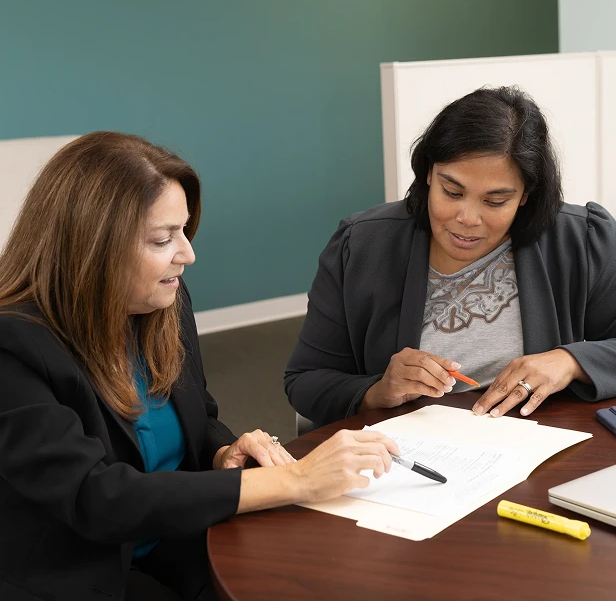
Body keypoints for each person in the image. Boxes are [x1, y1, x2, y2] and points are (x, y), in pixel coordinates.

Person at [0, 132, 400, 601]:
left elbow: (199, 416)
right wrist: (293, 479)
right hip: (81, 567)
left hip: (175, 533)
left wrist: (222, 452)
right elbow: (95, 498)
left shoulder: (164, 303)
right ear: (91, 246)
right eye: (162, 239)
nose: (188, 255)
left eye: (184, 231)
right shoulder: (14, 345)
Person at [285, 86, 616, 429]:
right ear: (429, 173)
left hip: (543, 444)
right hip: (405, 449)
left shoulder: (582, 239)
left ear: (525, 194)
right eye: (452, 192)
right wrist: (379, 391)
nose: (467, 219)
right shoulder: (362, 246)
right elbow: (306, 380)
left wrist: (569, 362)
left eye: (495, 201)